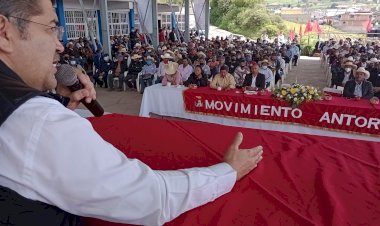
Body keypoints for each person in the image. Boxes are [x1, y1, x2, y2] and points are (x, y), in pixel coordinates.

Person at [0, 1, 264, 225]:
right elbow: (152, 197)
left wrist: (51, 92)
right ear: (4, 32)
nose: (60, 46)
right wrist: (227, 172)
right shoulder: (37, 121)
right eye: (51, 28)